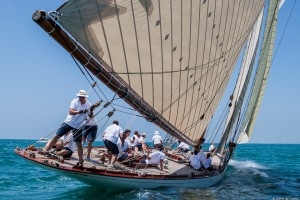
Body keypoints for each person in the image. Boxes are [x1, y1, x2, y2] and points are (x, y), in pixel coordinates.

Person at [44, 89, 93, 167]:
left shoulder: (89, 105)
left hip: (78, 126)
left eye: (82, 97)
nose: (80, 98)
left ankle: (81, 162)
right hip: (68, 122)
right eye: (80, 96)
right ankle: (47, 151)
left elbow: (90, 116)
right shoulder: (75, 101)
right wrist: (80, 112)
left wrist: (91, 111)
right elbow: (71, 112)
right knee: (56, 136)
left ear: (85, 97)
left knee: (79, 144)